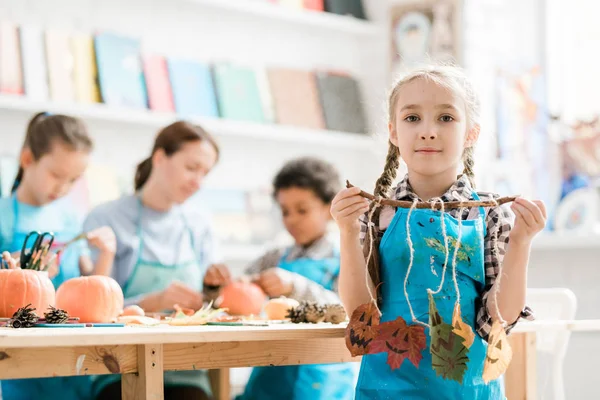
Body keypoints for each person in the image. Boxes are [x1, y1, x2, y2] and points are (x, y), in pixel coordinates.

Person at [330, 65, 544, 399]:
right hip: (386, 390)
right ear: (393, 132)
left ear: (470, 134)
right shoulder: (377, 212)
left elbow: (500, 318)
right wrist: (346, 232)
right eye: (412, 118)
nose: (428, 131)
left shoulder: (487, 214)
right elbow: (362, 317)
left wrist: (520, 243)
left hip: (470, 391)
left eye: (446, 118)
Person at [83, 120, 228, 400]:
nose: (198, 182)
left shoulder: (199, 224)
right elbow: (92, 313)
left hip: (189, 369)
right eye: (191, 168)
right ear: (160, 157)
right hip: (118, 369)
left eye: (205, 173)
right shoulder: (106, 219)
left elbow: (215, 306)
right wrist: (153, 301)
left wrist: (213, 291)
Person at [207, 157, 357, 400]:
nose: (291, 219)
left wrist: (294, 286)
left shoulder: (347, 259)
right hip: (271, 374)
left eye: (302, 210)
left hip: (323, 381)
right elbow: (235, 301)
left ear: (330, 209)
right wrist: (216, 288)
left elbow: (346, 311)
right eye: (285, 211)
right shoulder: (273, 257)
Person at [0, 111, 116, 400]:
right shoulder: (3, 216)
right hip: (20, 363)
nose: (63, 188)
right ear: (28, 160)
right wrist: (22, 270)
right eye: (56, 176)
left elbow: (92, 293)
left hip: (74, 358)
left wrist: (106, 254)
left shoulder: (70, 217)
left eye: (73, 180)